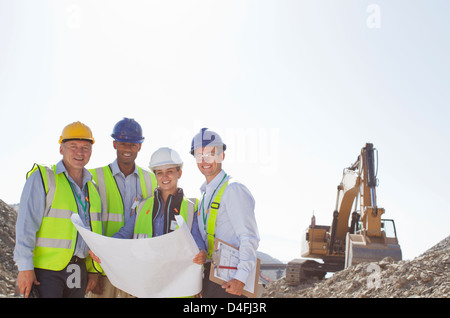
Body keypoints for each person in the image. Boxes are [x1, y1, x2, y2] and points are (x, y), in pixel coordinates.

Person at [14, 121, 103, 298]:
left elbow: (92, 233)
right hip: (46, 271)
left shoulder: (92, 188)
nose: (80, 152)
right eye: (73, 146)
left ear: (91, 152)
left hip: (78, 269)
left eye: (85, 147)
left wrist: (94, 270)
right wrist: (25, 267)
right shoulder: (44, 177)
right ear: (61, 149)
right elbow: (26, 225)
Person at [88, 117, 157, 298]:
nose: (128, 149)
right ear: (114, 144)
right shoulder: (94, 177)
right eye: (123, 143)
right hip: (105, 265)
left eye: (133, 145)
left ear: (140, 147)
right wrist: (93, 269)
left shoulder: (151, 179)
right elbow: (88, 226)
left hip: (136, 267)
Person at [190, 128, 260, 298]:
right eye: (200, 155)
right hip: (212, 277)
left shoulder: (233, 189)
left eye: (211, 154)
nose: (205, 160)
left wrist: (240, 278)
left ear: (222, 156)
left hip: (232, 282)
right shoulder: (205, 194)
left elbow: (249, 237)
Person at [133, 147, 206, 262]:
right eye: (159, 173)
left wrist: (201, 252)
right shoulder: (142, 206)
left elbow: (196, 238)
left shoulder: (191, 207)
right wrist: (102, 245)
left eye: (170, 171)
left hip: (176, 274)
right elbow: (125, 233)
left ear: (179, 173)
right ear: (155, 176)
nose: (165, 176)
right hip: (147, 272)